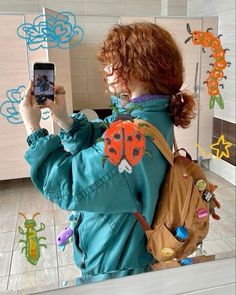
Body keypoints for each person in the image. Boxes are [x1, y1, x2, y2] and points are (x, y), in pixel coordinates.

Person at [19, 22, 196, 283]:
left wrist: (33, 129)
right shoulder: (153, 114)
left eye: (112, 63)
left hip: (114, 265)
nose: (106, 70)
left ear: (138, 70)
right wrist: (64, 119)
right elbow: (106, 139)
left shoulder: (134, 133)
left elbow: (69, 182)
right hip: (129, 247)